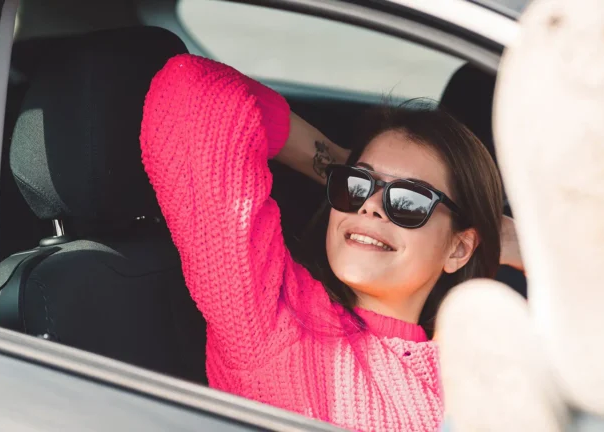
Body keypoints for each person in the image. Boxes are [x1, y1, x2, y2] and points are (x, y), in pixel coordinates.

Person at [140, 54, 510, 432]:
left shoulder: (485, 373)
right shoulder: (272, 317)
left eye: (408, 201)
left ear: (459, 249)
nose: (371, 207)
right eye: (357, 185)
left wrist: (517, 245)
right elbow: (194, 89)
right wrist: (331, 161)